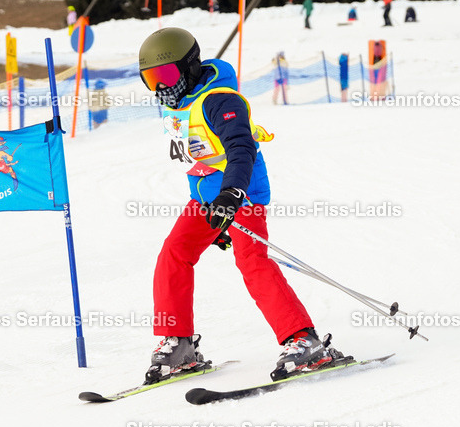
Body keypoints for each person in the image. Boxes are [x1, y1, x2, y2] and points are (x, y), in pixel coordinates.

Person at [137, 27, 348, 384]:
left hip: (241, 193)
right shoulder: (178, 105)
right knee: (174, 252)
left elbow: (241, 149)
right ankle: (179, 344)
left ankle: (303, 340)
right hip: (206, 200)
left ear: (189, 67)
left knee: (251, 259)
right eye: (151, 79)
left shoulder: (220, 101)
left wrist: (232, 196)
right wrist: (217, 217)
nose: (160, 87)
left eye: (167, 75)